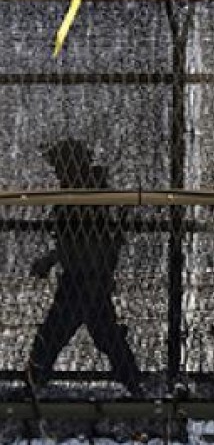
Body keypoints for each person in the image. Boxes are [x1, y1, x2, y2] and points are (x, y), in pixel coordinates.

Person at [27, 138, 141, 396]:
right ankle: (134, 385)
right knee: (104, 336)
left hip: (83, 278)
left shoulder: (87, 194)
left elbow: (85, 243)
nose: (56, 172)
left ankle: (33, 385)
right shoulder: (82, 191)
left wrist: (51, 258)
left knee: (54, 336)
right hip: (87, 277)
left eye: (59, 166)